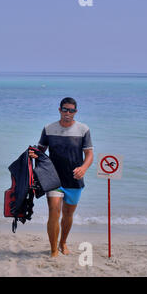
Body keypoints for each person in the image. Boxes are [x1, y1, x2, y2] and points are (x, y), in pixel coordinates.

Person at [29, 97, 93, 257]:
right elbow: (40, 151)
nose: (67, 113)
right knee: (54, 211)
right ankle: (53, 250)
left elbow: (89, 154)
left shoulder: (83, 129)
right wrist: (33, 154)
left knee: (68, 215)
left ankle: (63, 242)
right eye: (65, 109)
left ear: (75, 112)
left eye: (71, 110)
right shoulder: (49, 129)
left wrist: (83, 168)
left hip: (74, 179)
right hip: (54, 179)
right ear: (59, 110)